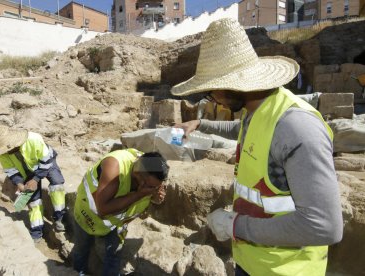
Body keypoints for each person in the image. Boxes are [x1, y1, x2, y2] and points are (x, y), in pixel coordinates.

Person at [171, 18, 343, 276]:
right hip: (252, 261)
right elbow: (240, 131)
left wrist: (236, 226)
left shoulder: (296, 128)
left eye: (211, 93)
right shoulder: (256, 113)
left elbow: (325, 226)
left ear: (229, 86)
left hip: (286, 270)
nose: (213, 99)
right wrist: (199, 123)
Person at [72, 148, 169, 276]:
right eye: (150, 187)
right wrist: (139, 194)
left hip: (118, 222)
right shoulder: (115, 166)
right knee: (82, 247)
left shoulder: (153, 172)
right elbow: (103, 209)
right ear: (139, 175)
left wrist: (156, 197)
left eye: (155, 186)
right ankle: (78, 272)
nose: (153, 189)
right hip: (89, 214)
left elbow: (155, 197)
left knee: (113, 256)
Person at [0, 125, 66, 240]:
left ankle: (59, 217)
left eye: (7, 149)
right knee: (33, 201)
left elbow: (46, 161)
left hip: (47, 163)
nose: (6, 152)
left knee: (57, 185)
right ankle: (37, 232)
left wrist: (36, 179)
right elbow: (11, 171)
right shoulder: (2, 154)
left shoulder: (34, 139)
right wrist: (20, 184)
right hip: (27, 172)